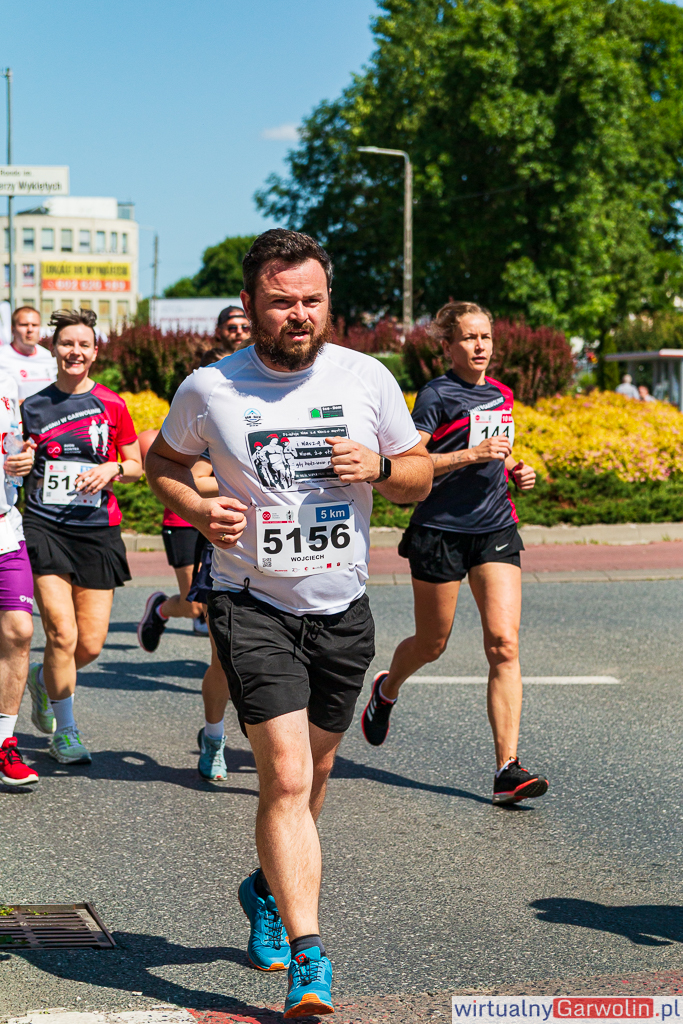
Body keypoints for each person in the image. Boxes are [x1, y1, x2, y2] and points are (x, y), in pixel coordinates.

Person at [145, 228, 432, 1018]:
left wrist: (380, 467)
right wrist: (198, 508)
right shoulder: (211, 387)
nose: (298, 314)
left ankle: (268, 889)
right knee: (287, 775)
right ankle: (310, 958)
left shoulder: (365, 377)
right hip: (251, 604)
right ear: (250, 304)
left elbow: (414, 476)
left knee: (317, 776)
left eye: (311, 300)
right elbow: (161, 462)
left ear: (328, 301)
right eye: (280, 302)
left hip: (341, 610)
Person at [361, 301, 549, 807]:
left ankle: (507, 769)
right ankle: (387, 688)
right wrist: (470, 454)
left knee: (504, 644)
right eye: (468, 337)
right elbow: (412, 463)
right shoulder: (436, 395)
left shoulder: (502, 394)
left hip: (495, 528)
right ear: (448, 345)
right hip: (439, 531)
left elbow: (499, 451)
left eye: (485, 336)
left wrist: (516, 470)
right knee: (432, 643)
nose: (480, 345)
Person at [21, 308, 143, 765]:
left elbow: (136, 465)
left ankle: (41, 679)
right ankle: (66, 732)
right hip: (45, 527)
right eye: (66, 343)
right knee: (61, 632)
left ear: (95, 352)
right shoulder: (33, 407)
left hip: (97, 530)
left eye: (83, 345)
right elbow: (16, 463)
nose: (75, 351)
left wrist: (114, 467)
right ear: (54, 349)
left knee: (88, 645)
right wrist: (19, 461)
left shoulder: (112, 404)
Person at [0, 368, 42, 786]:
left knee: (19, 631)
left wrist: (21, 462)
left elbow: (13, 448)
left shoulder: (7, 381)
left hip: (4, 526)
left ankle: (4, 743)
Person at [135, 428, 212, 651]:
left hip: (218, 520)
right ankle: (160, 609)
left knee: (211, 599)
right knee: (192, 607)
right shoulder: (184, 425)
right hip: (183, 522)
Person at [0, 306, 57, 402]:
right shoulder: (2, 357)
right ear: (13, 329)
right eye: (24, 325)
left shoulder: (50, 357)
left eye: (34, 325)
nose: (30, 329)